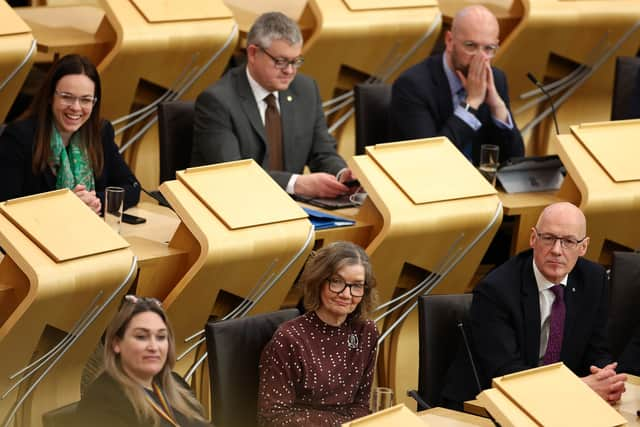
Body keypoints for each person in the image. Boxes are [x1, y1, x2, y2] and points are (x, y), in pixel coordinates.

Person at [442, 202, 627, 408]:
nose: (557, 250)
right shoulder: (496, 290)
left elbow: (597, 348)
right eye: (548, 238)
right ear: (533, 238)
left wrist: (604, 378)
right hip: (488, 405)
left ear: (583, 247)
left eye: (568, 241)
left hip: (557, 403)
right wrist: (578, 388)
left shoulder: (594, 279)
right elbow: (506, 374)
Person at [191, 12, 354, 199]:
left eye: (296, 61)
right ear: (253, 53)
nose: (289, 71)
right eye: (281, 61)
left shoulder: (306, 90)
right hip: (234, 206)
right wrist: (296, 184)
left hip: (294, 208)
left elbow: (322, 152)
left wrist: (342, 174)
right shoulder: (217, 101)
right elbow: (233, 175)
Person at [257, 242, 379, 426]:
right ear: (318, 282)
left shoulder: (366, 332)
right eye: (337, 282)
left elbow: (361, 405)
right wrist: (340, 423)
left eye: (357, 286)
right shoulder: (289, 338)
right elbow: (273, 418)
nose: (346, 295)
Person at [0, 54, 140, 212]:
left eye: (85, 100)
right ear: (50, 97)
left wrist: (96, 201)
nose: (76, 107)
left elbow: (132, 188)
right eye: (67, 97)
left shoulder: (100, 132)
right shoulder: (18, 138)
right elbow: (7, 207)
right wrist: (67, 206)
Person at [389, 5, 524, 164]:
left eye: (489, 48)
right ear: (449, 41)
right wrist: (471, 104)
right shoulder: (413, 85)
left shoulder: (496, 80)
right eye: (471, 46)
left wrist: (498, 107)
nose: (479, 58)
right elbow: (430, 160)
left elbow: (515, 161)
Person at [75, 296, 210, 426]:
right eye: (141, 336)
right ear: (117, 343)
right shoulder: (102, 402)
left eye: (161, 337)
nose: (153, 347)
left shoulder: (177, 384)